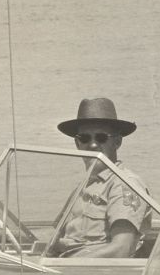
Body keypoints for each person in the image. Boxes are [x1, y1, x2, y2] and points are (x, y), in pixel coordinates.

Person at [49, 97, 152, 258]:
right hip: (65, 267)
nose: (92, 144)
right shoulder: (83, 186)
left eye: (101, 137)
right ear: (77, 144)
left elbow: (121, 249)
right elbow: (54, 239)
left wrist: (70, 263)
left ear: (117, 142)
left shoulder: (125, 184)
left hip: (97, 274)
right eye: (85, 138)